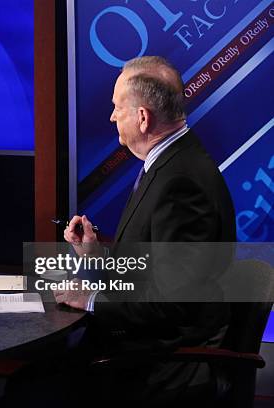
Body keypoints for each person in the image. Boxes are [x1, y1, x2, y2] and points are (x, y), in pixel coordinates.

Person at [55, 56, 236, 405]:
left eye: (116, 108)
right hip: (146, 345)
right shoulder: (174, 163)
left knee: (32, 391)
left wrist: (90, 299)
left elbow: (172, 303)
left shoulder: (180, 182)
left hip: (159, 362)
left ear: (142, 117)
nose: (111, 117)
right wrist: (97, 257)